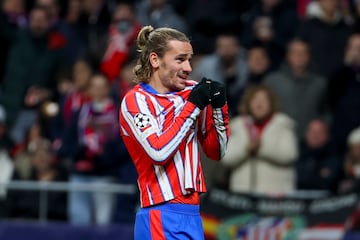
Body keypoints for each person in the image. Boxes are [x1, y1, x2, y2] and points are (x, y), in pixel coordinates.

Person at [119, 26, 229, 240]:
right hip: (160, 215)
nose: (188, 67)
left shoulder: (192, 92)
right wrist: (193, 106)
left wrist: (219, 109)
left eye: (189, 59)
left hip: (194, 215)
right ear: (155, 60)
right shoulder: (136, 101)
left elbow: (216, 151)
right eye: (180, 60)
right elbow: (158, 152)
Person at [221, 85, 298, 194]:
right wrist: (246, 149)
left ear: (271, 103)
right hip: (242, 196)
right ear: (248, 103)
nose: (259, 104)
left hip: (276, 197)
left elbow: (290, 154)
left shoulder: (283, 124)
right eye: (255, 99)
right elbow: (226, 158)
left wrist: (261, 148)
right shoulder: (238, 125)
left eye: (264, 100)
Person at [296, 119, 340, 192]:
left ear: (328, 136)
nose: (315, 136)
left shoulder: (334, 156)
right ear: (306, 134)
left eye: (320, 132)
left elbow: (328, 182)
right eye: (312, 132)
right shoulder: (296, 154)